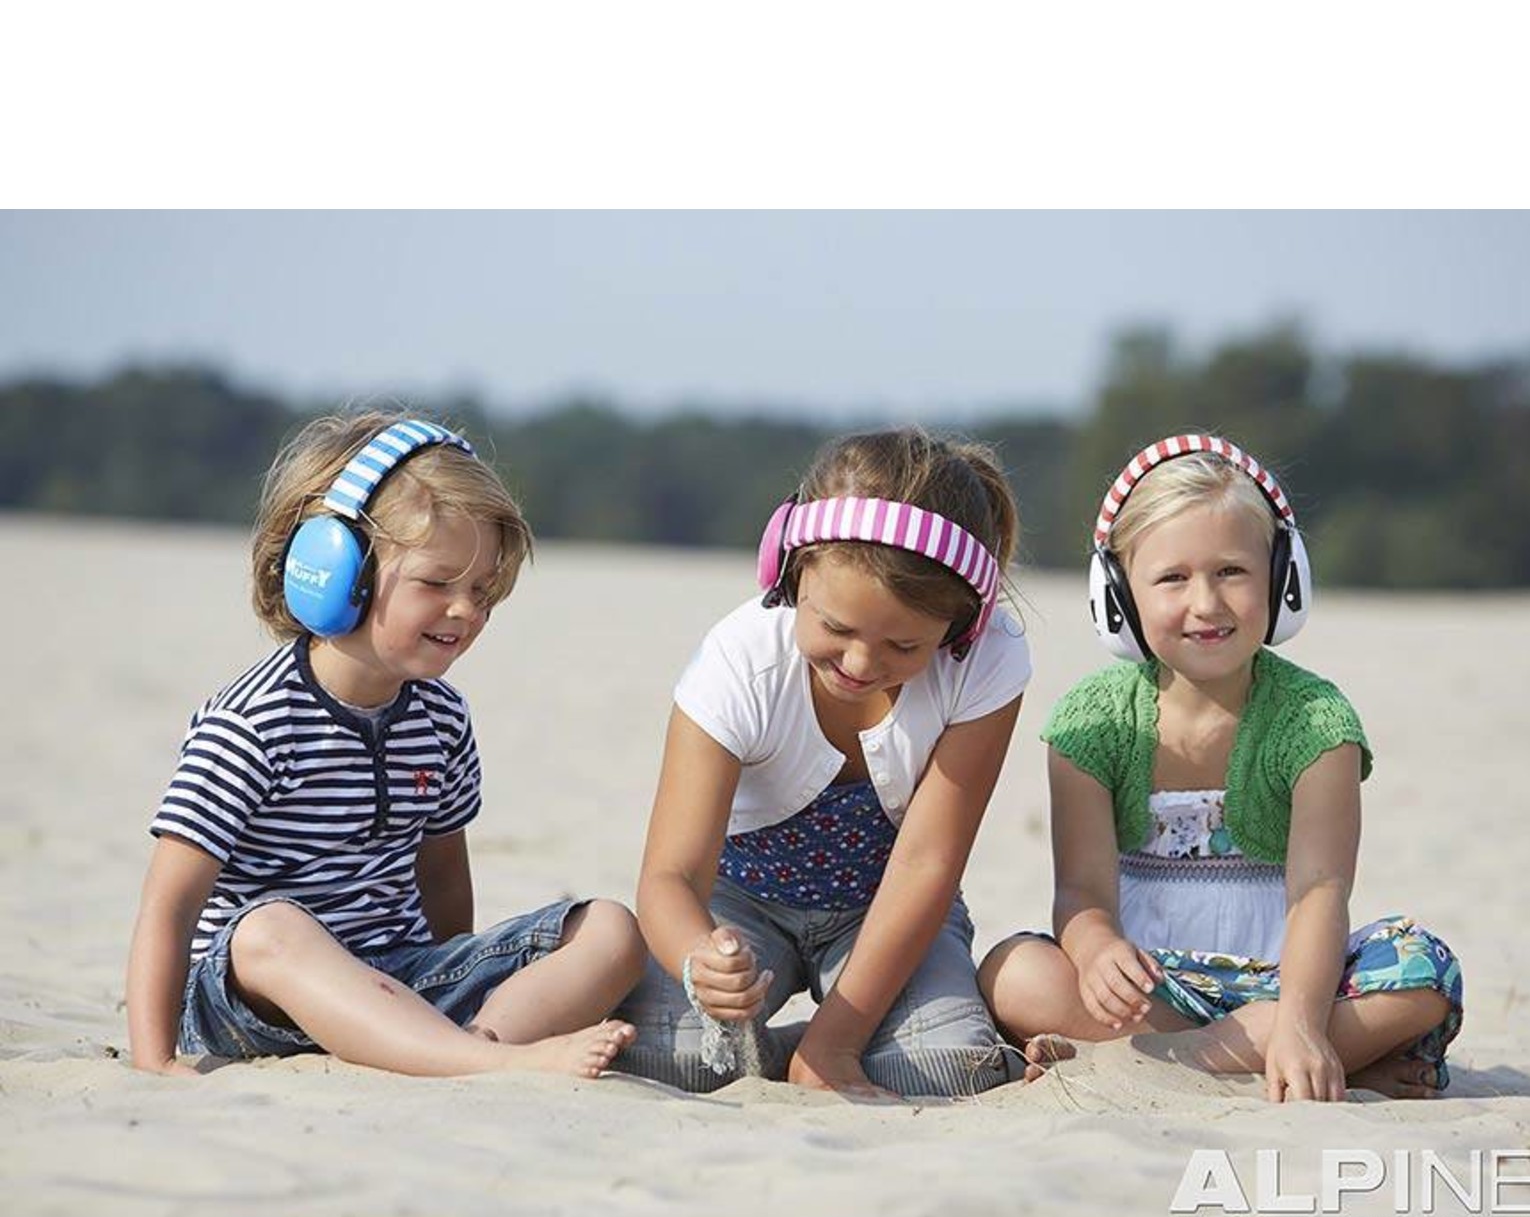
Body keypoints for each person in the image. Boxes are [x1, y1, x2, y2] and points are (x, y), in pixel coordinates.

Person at [126, 410, 645, 1080]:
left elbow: (443, 881)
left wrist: (460, 973)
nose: (466, 611)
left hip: (399, 982)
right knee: (270, 929)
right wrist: (153, 1062)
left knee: (609, 929)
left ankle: (476, 1046)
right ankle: (479, 1061)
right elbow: (169, 907)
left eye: (483, 591)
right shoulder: (251, 723)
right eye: (437, 584)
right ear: (339, 573)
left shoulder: (442, 718)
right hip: (253, 1003)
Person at [980, 431, 1463, 1102]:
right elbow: (1083, 894)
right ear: (1117, 596)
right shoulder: (1090, 725)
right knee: (1011, 970)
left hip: (1289, 982)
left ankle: (1205, 1053)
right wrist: (1095, 954)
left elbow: (1320, 889)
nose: (1206, 603)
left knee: (1424, 973)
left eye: (1232, 571)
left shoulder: (1316, 721)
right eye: (1173, 578)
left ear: (1281, 577)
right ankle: (1284, 1051)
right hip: (1151, 987)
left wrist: (1296, 1016)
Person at [615, 428, 1032, 1100]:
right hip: (739, 903)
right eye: (836, 629)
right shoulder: (738, 660)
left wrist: (836, 1043)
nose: (862, 664)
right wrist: (699, 958)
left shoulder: (988, 661)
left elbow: (927, 863)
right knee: (673, 1062)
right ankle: (787, 1045)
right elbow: (671, 874)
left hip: (888, 910)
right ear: (788, 569)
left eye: (903, 644)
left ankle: (815, 1040)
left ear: (961, 627)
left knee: (950, 1068)